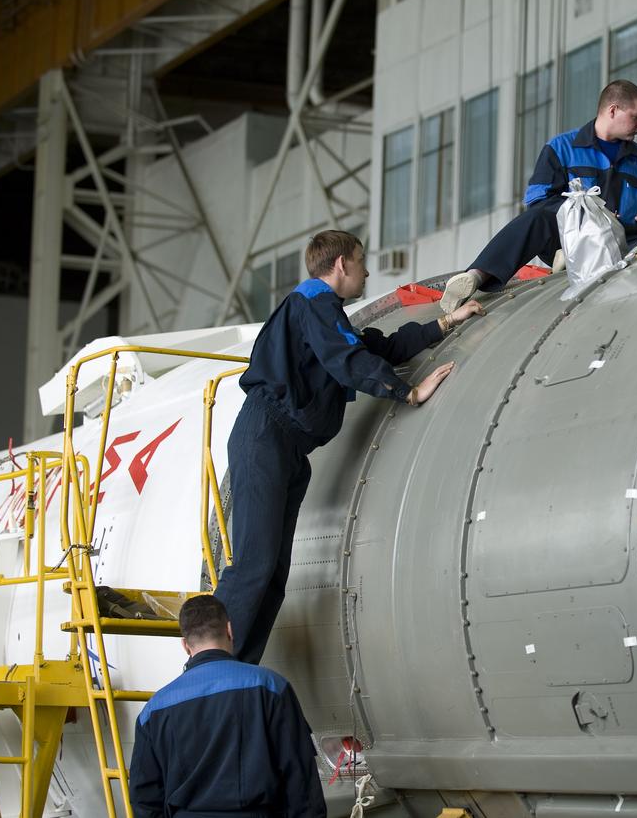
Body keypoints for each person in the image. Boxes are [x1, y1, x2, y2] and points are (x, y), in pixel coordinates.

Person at [215, 230, 482, 663]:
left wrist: (447, 322)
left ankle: (236, 669)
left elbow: (379, 346)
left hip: (288, 448)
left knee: (273, 574)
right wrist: (407, 393)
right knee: (254, 565)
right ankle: (207, 670)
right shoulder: (313, 302)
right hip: (266, 436)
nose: (367, 270)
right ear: (341, 264)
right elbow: (349, 360)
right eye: (361, 261)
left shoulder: (325, 314)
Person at [440, 79, 637, 312]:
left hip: (621, 245)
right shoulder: (561, 148)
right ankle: (475, 277)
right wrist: (588, 214)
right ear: (613, 110)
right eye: (636, 117)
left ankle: (573, 257)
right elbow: (539, 201)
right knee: (536, 218)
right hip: (566, 238)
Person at [129, 595, 327, 817]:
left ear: (185, 645)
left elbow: (144, 798)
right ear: (230, 630)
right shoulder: (270, 687)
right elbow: (299, 777)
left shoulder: (154, 710)